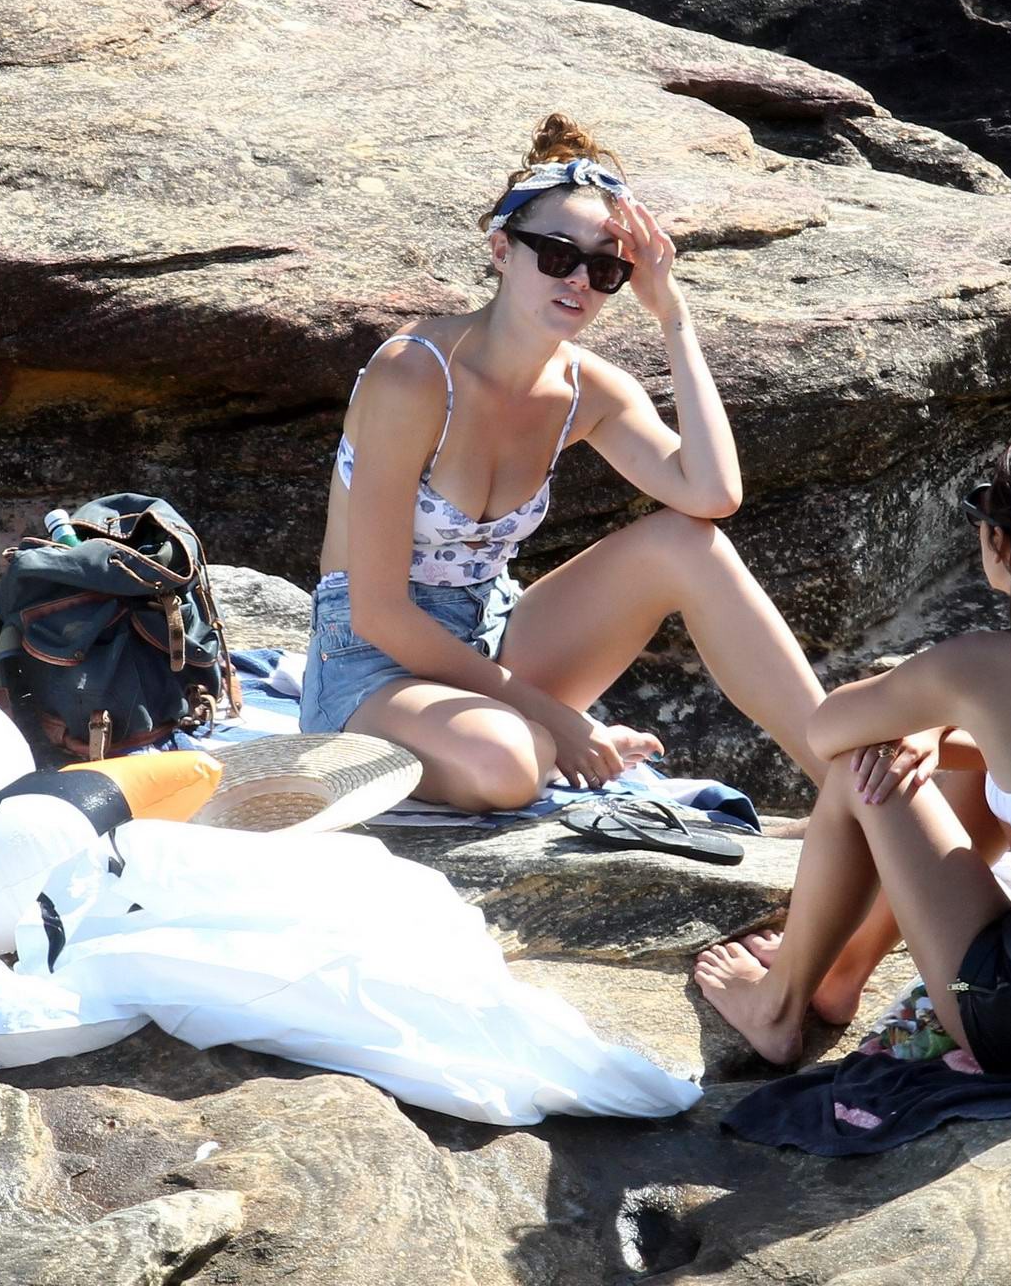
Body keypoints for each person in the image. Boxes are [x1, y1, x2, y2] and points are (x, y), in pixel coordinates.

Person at [301, 114, 825, 808]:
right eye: (556, 254)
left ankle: (844, 774)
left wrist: (673, 316)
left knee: (687, 544)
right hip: (373, 664)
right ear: (501, 250)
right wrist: (560, 720)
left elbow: (713, 493)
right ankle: (532, 743)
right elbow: (377, 614)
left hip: (495, 641)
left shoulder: (589, 389)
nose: (580, 279)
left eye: (605, 268)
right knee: (509, 765)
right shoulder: (415, 374)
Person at [694, 427, 1011, 1073]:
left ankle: (776, 1006)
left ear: (1002, 538)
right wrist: (939, 732)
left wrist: (925, 713)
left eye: (981, 509)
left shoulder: (977, 667)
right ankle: (843, 972)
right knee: (959, 766)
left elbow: (827, 730)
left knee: (866, 763)